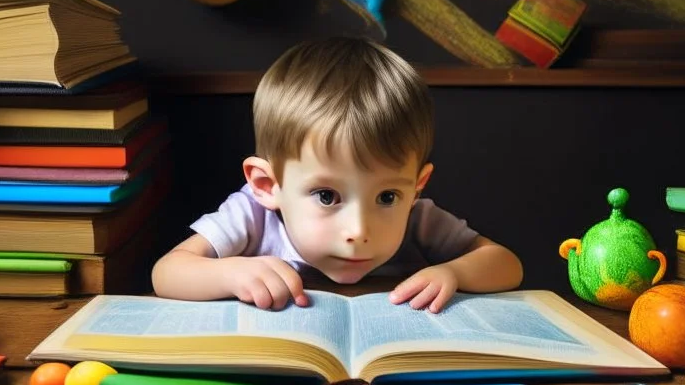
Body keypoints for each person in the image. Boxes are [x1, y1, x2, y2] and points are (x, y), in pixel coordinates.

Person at [151, 37, 523, 313]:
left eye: (387, 197)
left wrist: (454, 273)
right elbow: (167, 273)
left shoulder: (419, 218)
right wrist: (229, 274)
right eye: (327, 196)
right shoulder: (252, 216)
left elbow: (506, 264)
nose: (359, 231)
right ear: (267, 185)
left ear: (415, 187)